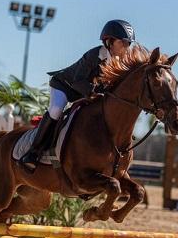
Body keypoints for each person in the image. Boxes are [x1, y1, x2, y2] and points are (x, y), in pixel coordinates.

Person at [19, 19, 136, 173]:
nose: (126, 48)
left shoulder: (120, 63)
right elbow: (77, 81)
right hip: (65, 87)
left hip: (86, 94)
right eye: (124, 43)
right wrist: (93, 92)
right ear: (110, 41)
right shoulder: (95, 55)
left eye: (129, 44)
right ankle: (33, 152)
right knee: (55, 111)